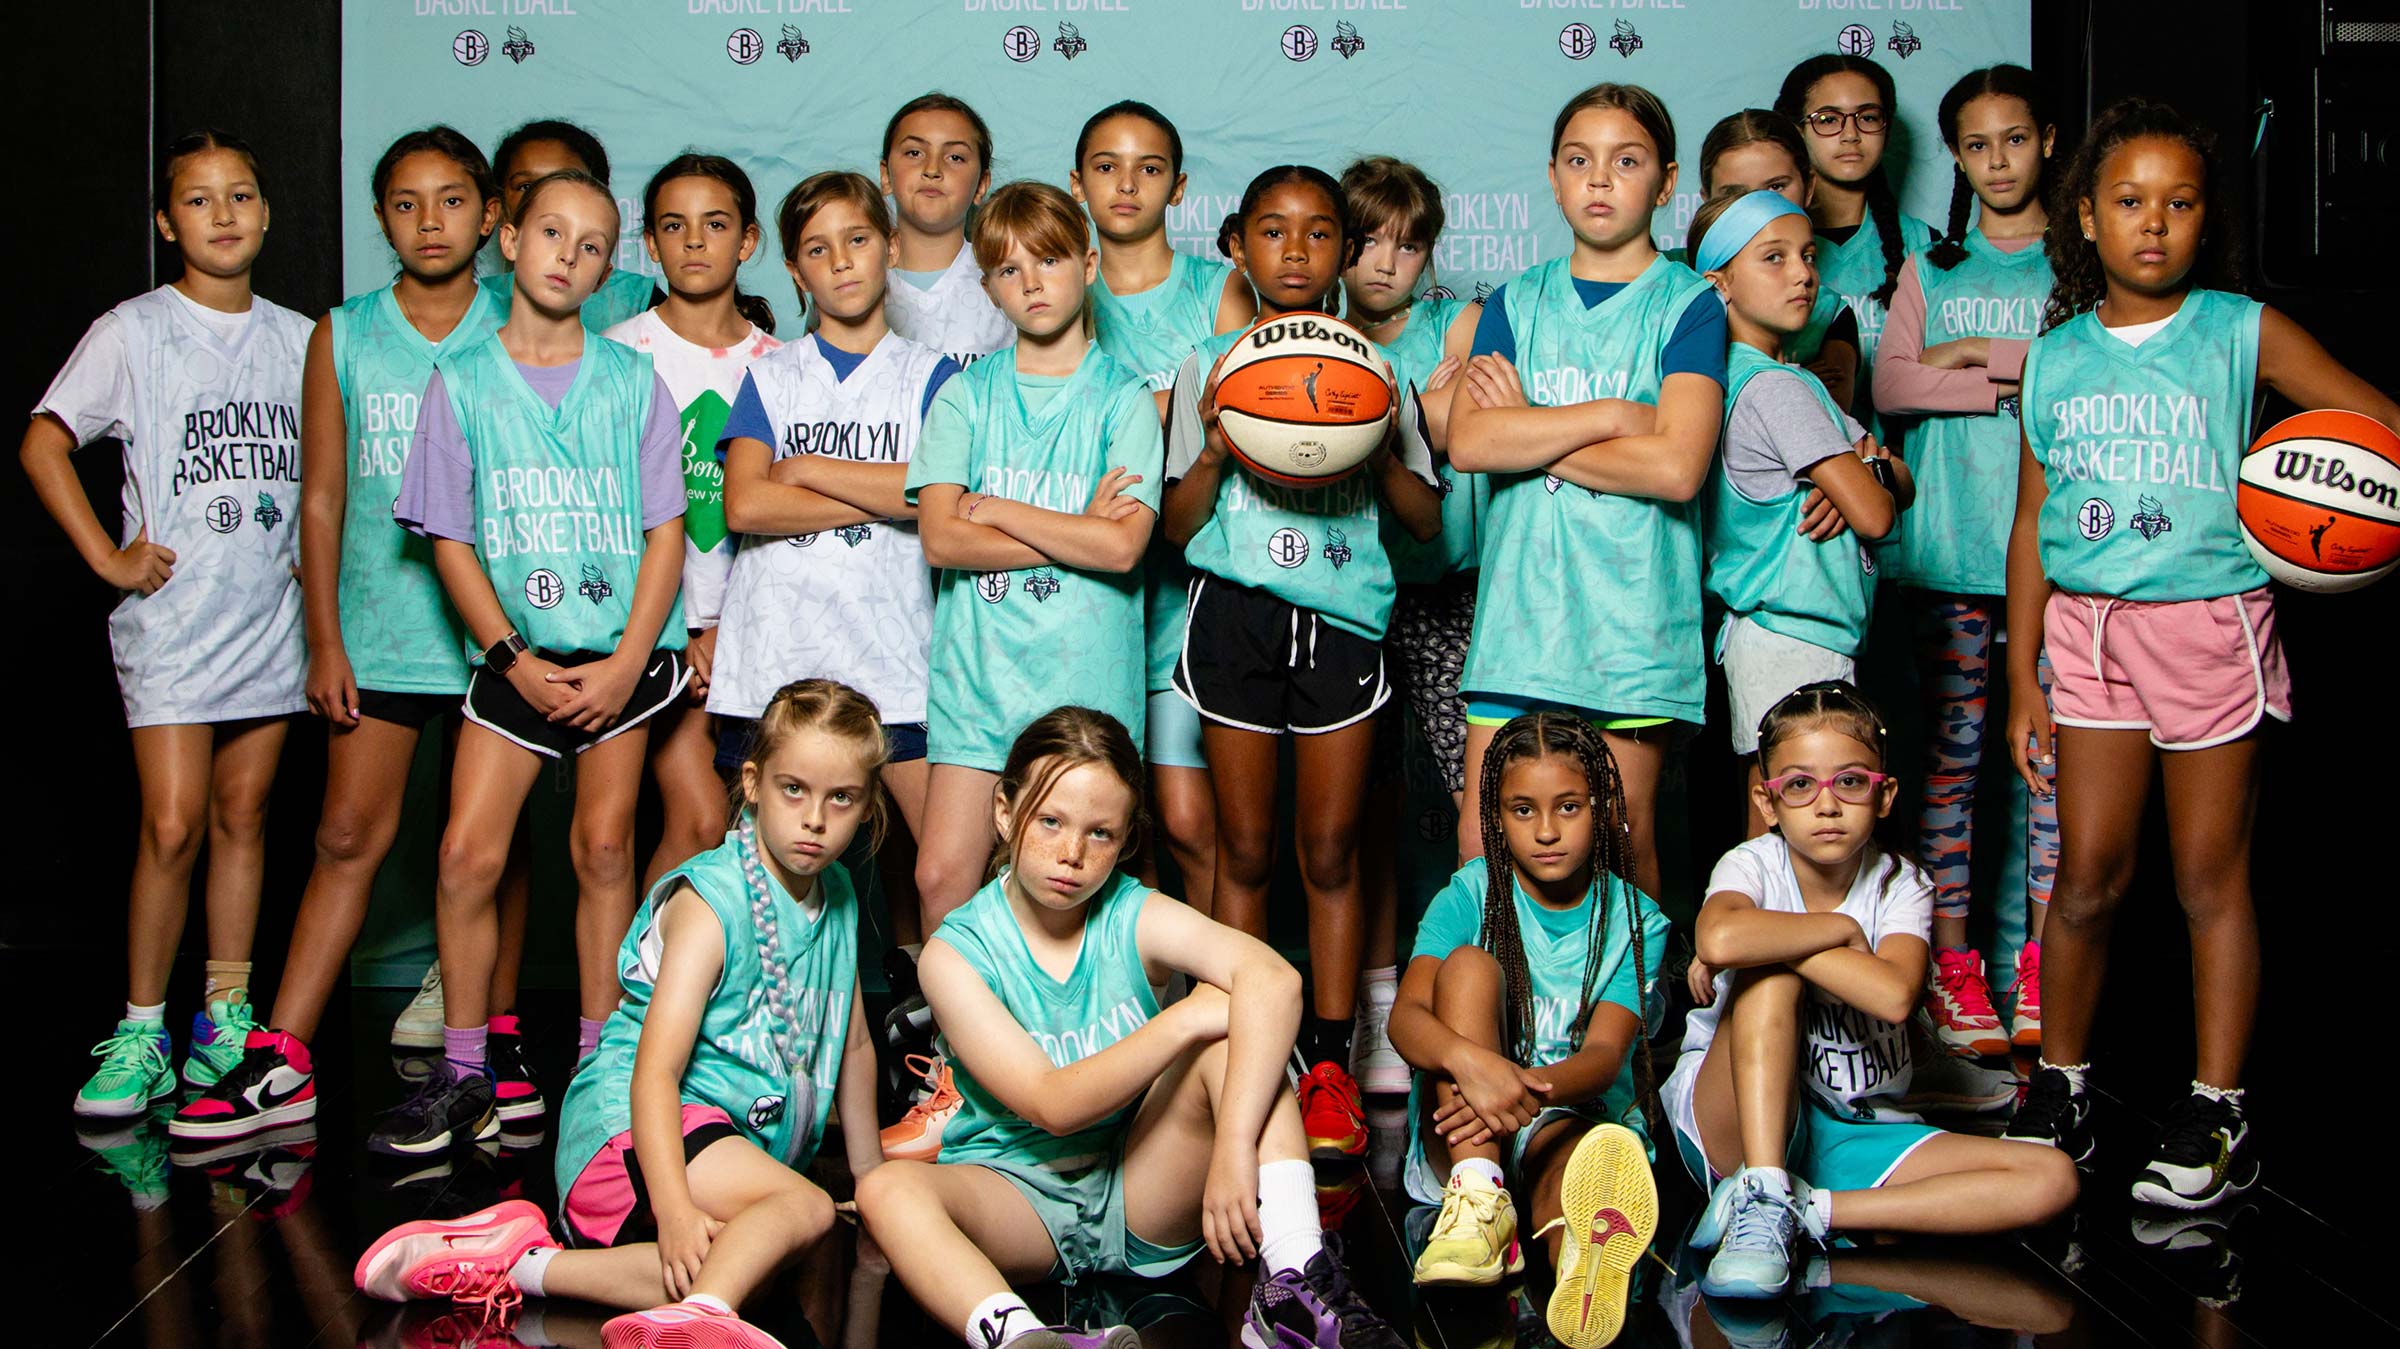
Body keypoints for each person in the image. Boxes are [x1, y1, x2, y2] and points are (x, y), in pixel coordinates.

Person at [2001, 98, 2400, 1209]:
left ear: (2204, 218)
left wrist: (2322, 515)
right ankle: (2063, 1087)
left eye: (2178, 203)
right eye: (2130, 201)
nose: (2154, 223)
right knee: (2087, 876)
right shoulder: (2054, 358)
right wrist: (2021, 677)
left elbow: (2377, 427)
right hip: (2088, 633)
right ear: (2086, 217)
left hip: (2208, 625)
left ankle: (2219, 1110)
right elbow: (2031, 525)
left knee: (2206, 879)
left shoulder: (2241, 331)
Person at [352, 679, 887, 1349]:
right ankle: (703, 1316)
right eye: (794, 789)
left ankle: (518, 1263)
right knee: (802, 1209)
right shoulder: (710, 906)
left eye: (841, 798)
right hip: (634, 1135)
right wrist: (674, 1208)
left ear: (868, 806)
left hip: (715, 1150)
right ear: (752, 784)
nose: (815, 820)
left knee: (752, 1257)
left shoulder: (837, 893)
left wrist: (872, 1183)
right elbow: (654, 1072)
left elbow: (853, 1044)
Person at [855, 707, 1404, 1349]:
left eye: (1100, 834)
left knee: (1239, 1034)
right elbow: (1054, 1105)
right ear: (1005, 811)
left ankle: (1295, 1279)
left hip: (1139, 1185)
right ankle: (1025, 1339)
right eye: (1050, 821)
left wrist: (1234, 1146)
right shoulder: (957, 953)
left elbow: (1276, 981)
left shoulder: (1128, 911)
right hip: (1013, 1196)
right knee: (887, 1191)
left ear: (1125, 841)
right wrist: (1182, 1020)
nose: (1071, 854)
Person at [170, 127, 504, 1142]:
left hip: (497, 633)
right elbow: (319, 498)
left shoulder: (520, 322)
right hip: (381, 628)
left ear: (491, 216)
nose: (430, 221)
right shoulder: (345, 333)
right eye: (406, 203)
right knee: (346, 836)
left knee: (486, 854)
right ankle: (283, 1058)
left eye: (452, 200)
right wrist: (324, 639)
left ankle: (482, 1060)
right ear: (380, 220)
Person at [370, 167, 690, 1156]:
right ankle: (466, 1073)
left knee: (604, 851)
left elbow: (667, 533)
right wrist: (509, 657)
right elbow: (451, 540)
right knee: (467, 857)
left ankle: (601, 1070)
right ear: (509, 240)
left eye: (592, 245)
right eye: (552, 232)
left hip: (617, 663)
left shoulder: (633, 381)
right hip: (516, 663)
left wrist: (628, 661)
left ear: (606, 269)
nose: (568, 255)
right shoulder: (462, 381)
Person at [1160, 164, 1443, 1157]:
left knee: (1329, 852)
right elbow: (1175, 524)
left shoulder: (1379, 370)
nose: (1295, 250)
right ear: (1237, 245)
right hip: (1234, 618)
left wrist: (1377, 447)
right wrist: (1214, 450)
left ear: (1345, 251)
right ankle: (1241, 1051)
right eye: (1273, 231)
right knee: (1243, 849)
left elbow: (1426, 521)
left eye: (1319, 233)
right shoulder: (1207, 363)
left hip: (1342, 620)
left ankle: (1329, 1065)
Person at [26, 130, 310, 1119]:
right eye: (198, 199)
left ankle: (222, 1023)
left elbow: (329, 474)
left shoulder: (300, 338)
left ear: (267, 213)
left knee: (243, 816)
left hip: (269, 618)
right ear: (166, 221)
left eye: (241, 195)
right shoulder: (134, 330)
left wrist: (316, 559)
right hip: (175, 622)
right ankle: (142, 1028)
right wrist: (109, 559)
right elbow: (44, 442)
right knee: (173, 822)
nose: (223, 214)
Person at [1672, 683, 2077, 1300]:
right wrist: (1837, 931)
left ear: (1884, 795)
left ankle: (1808, 1211)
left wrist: (1768, 938)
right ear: (1767, 802)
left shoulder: (1901, 885)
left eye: (1850, 782)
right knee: (1770, 978)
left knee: (2053, 1177)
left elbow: (1892, 995)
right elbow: (1721, 937)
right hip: (1734, 1120)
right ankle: (1762, 1189)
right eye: (1799, 785)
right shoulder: (1752, 864)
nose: (1826, 805)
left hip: (1856, 1128)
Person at [1447, 82, 1727, 909]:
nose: (1599, 179)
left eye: (1626, 161)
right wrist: (1610, 417)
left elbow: (1676, 467)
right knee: (1482, 845)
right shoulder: (1515, 300)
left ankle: (1633, 1000)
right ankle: (1501, 997)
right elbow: (1471, 444)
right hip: (1520, 622)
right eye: (1579, 160)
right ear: (1553, 176)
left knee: (1620, 839)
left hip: (1631, 628)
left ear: (1666, 183)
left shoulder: (1689, 305)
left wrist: (1531, 429)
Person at [713, 169, 954, 1007]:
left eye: (857, 240)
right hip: (777, 656)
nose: (842, 261)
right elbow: (746, 503)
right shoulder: (772, 376)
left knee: (942, 863)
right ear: (794, 271)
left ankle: (952, 1040)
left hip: (896, 658)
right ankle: (771, 1034)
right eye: (818, 249)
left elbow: (934, 496)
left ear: (890, 247)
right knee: (768, 874)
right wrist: (886, 488)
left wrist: (809, 466)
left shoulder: (933, 374)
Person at [905, 182, 1162, 934]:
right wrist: (1074, 527)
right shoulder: (965, 395)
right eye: (1008, 270)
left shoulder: (1125, 399)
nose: (1031, 283)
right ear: (989, 287)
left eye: (1048, 260)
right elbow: (942, 537)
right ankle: (962, 1018)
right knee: (941, 876)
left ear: (1088, 264)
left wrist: (1000, 508)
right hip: (980, 682)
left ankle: (1127, 1016)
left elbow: (1121, 547)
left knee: (1097, 891)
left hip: (1084, 682)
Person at [1872, 65, 2062, 1056]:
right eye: (1978, 145)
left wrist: (1975, 353)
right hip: (1948, 556)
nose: (1998, 161)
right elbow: (1891, 384)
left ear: (2048, 142)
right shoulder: (1930, 268)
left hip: (2060, 564)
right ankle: (1953, 968)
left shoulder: (2080, 264)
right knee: (1949, 768)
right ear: (1955, 154)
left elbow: (2079, 376)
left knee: (2048, 774)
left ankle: (2041, 965)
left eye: (2015, 139)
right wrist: (2008, 378)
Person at [1387, 714, 1672, 1349]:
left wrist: (1516, 1088)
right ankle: (1478, 1200)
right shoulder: (1471, 892)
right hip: (1461, 1123)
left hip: (1563, 1112)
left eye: (1568, 807)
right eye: (1523, 810)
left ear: (1602, 807)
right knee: (1468, 966)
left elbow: (1604, 1056)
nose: (1546, 831)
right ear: (1495, 815)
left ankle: (1576, 1260)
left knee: (1575, 1177)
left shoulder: (1636, 918)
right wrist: (1473, 1066)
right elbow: (1405, 1018)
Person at [1073, 98, 1255, 926]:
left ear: (1178, 187)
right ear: (1077, 183)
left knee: (1188, 819)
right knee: (1113, 819)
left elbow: (1241, 412)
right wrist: (1173, 407)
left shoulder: (1220, 290)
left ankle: (1219, 991)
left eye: (1148, 169)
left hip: (1192, 587)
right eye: (1106, 167)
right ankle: (1137, 992)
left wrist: (1116, 418)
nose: (1126, 184)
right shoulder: (1061, 286)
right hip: (1096, 589)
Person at [1335, 155, 1484, 1099]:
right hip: (1350, 590)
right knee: (1364, 806)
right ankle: (1379, 1000)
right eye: (1367, 241)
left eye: (1409, 243)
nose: (1387, 262)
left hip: (1448, 586)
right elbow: (1415, 422)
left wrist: (1398, 414)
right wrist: (1419, 405)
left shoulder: (1458, 323)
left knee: (1476, 792)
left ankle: (1479, 993)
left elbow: (1464, 431)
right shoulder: (1317, 333)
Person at [1693, 189, 1908, 822]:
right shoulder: (1774, 388)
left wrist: (1862, 476)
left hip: (1781, 637)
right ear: (1720, 283)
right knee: (1797, 833)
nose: (1803, 273)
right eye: (1774, 258)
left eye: (1808, 256)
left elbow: (1896, 478)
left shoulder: (1771, 379)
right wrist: (1861, 480)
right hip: (1793, 639)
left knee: (1785, 827)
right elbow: (1877, 512)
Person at [605, 154, 785, 891]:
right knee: (685, 820)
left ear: (748, 241)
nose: (695, 241)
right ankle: (639, 967)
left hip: (749, 633)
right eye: (674, 226)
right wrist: (679, 629)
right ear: (650, 243)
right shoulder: (616, 355)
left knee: (742, 831)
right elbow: (603, 517)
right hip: (647, 633)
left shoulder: (782, 365)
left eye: (715, 224)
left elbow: (781, 523)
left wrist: (725, 628)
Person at [1772, 55, 1938, 428]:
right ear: (1796, 131)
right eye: (1828, 119)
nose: (1850, 134)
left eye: (1868, 117)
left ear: (1886, 129)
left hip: (1904, 455)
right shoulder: (1762, 245)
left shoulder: (1926, 245)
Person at [1691, 109, 1861, 411]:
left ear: (1809, 188)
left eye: (1776, 187)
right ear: (1707, 203)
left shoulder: (1828, 311)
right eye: (1736, 195)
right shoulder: (1674, 292)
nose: (1760, 205)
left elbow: (1827, 422)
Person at [481, 119, 659, 332]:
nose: (545, 199)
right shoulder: (474, 303)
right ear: (500, 206)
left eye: (566, 181)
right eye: (526, 186)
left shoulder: (638, 300)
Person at [880, 93, 1013, 367]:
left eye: (955, 157)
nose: (932, 169)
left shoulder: (1011, 278)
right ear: (885, 175)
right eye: (914, 153)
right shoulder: (851, 277)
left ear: (982, 184)